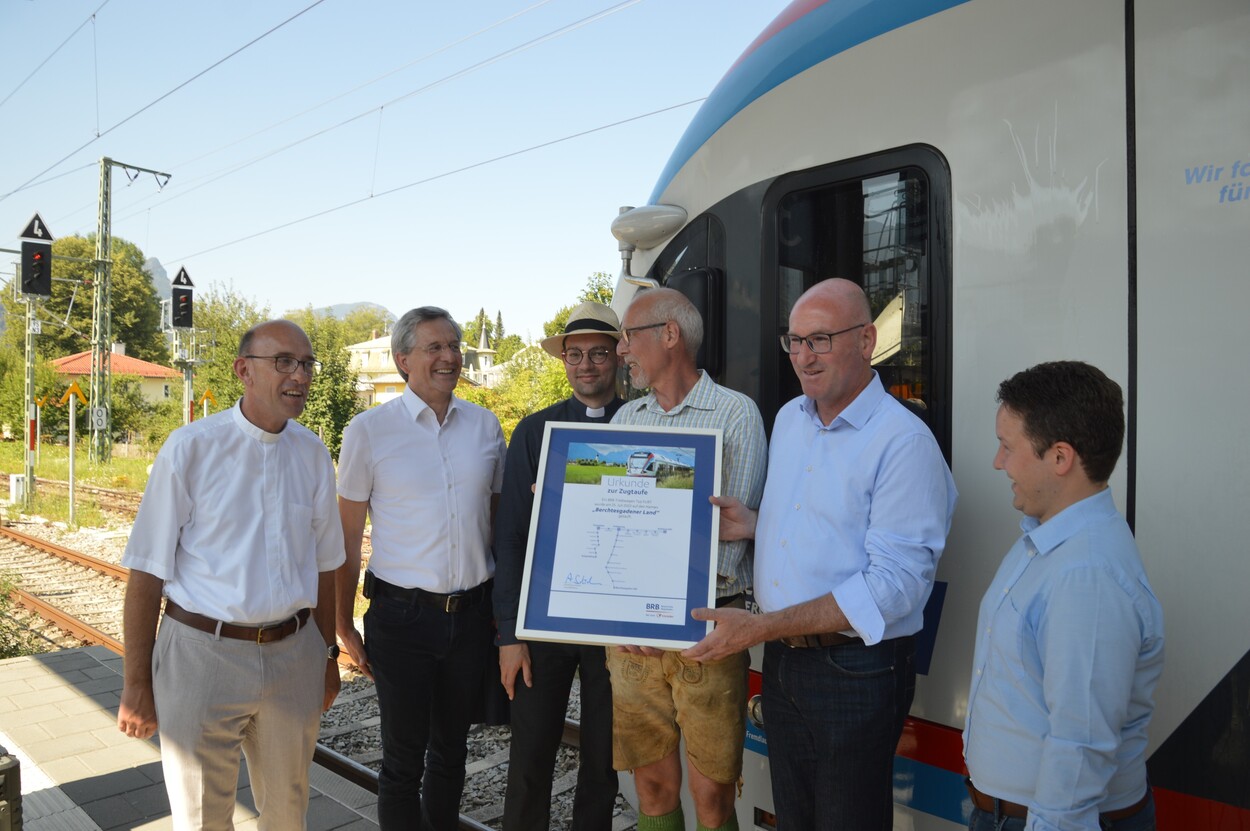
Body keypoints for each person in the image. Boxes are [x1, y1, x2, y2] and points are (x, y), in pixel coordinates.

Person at [683, 278, 957, 830]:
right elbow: (826, 530)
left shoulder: (904, 442)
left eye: (821, 340)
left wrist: (761, 628)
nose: (804, 357)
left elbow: (895, 586)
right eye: (795, 341)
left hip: (856, 670)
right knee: (797, 818)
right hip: (787, 663)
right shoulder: (790, 419)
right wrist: (755, 525)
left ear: (866, 339)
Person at [117, 320, 344, 830]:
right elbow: (147, 573)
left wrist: (327, 655)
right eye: (284, 361)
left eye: (306, 364)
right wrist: (136, 683)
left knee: (288, 813)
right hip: (202, 655)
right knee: (201, 818)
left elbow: (327, 565)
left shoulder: (312, 453)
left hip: (293, 657)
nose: (300, 375)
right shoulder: (190, 448)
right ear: (244, 370)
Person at [962, 361, 1164, 830]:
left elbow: (1081, 743)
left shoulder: (1086, 575)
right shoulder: (1047, 539)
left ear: (1060, 457)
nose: (998, 462)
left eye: (1008, 447)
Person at [336, 306, 506, 831]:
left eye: (454, 346)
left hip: (472, 616)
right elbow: (344, 537)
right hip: (402, 619)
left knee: (452, 751)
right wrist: (342, 625)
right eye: (434, 347)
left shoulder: (484, 425)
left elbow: (498, 525)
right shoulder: (368, 431)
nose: (450, 357)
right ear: (402, 359)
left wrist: (503, 613)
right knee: (403, 759)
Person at [608, 287, 767, 831]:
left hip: (709, 629)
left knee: (712, 793)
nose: (622, 349)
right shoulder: (626, 421)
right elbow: (617, 525)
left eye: (630, 336)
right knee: (650, 784)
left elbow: (726, 536)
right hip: (632, 634)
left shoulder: (736, 414)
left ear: (669, 336)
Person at [494, 300, 624, 830]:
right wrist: (508, 633)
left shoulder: (641, 424)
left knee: (604, 759)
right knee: (528, 757)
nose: (586, 364)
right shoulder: (535, 430)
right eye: (575, 354)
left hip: (615, 622)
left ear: (618, 357)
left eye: (597, 353)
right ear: (563, 361)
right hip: (543, 618)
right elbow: (511, 535)